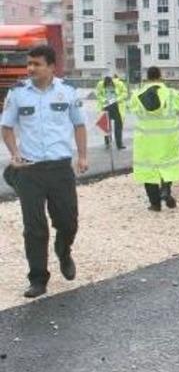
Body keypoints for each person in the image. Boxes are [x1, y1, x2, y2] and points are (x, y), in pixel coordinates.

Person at [0, 45, 87, 298]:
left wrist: (82, 156)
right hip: (30, 170)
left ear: (51, 67)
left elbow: (79, 124)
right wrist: (14, 153)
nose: (30, 68)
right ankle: (38, 279)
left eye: (36, 64)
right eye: (29, 64)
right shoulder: (17, 94)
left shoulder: (67, 91)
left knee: (68, 221)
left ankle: (63, 249)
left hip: (60, 168)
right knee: (34, 227)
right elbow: (6, 127)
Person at [129, 66, 179, 212]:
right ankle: (166, 190)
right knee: (168, 166)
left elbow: (131, 108)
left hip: (146, 141)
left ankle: (155, 204)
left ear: (147, 77)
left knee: (149, 171)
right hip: (168, 139)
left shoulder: (137, 94)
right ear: (160, 76)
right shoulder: (171, 94)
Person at [95, 75, 128, 149]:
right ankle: (107, 143)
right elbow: (98, 94)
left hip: (117, 107)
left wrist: (117, 99)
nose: (109, 86)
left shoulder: (120, 84)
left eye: (110, 85)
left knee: (118, 127)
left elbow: (125, 93)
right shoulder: (100, 84)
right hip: (105, 106)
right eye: (107, 86)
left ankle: (119, 144)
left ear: (112, 82)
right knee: (106, 127)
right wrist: (104, 100)